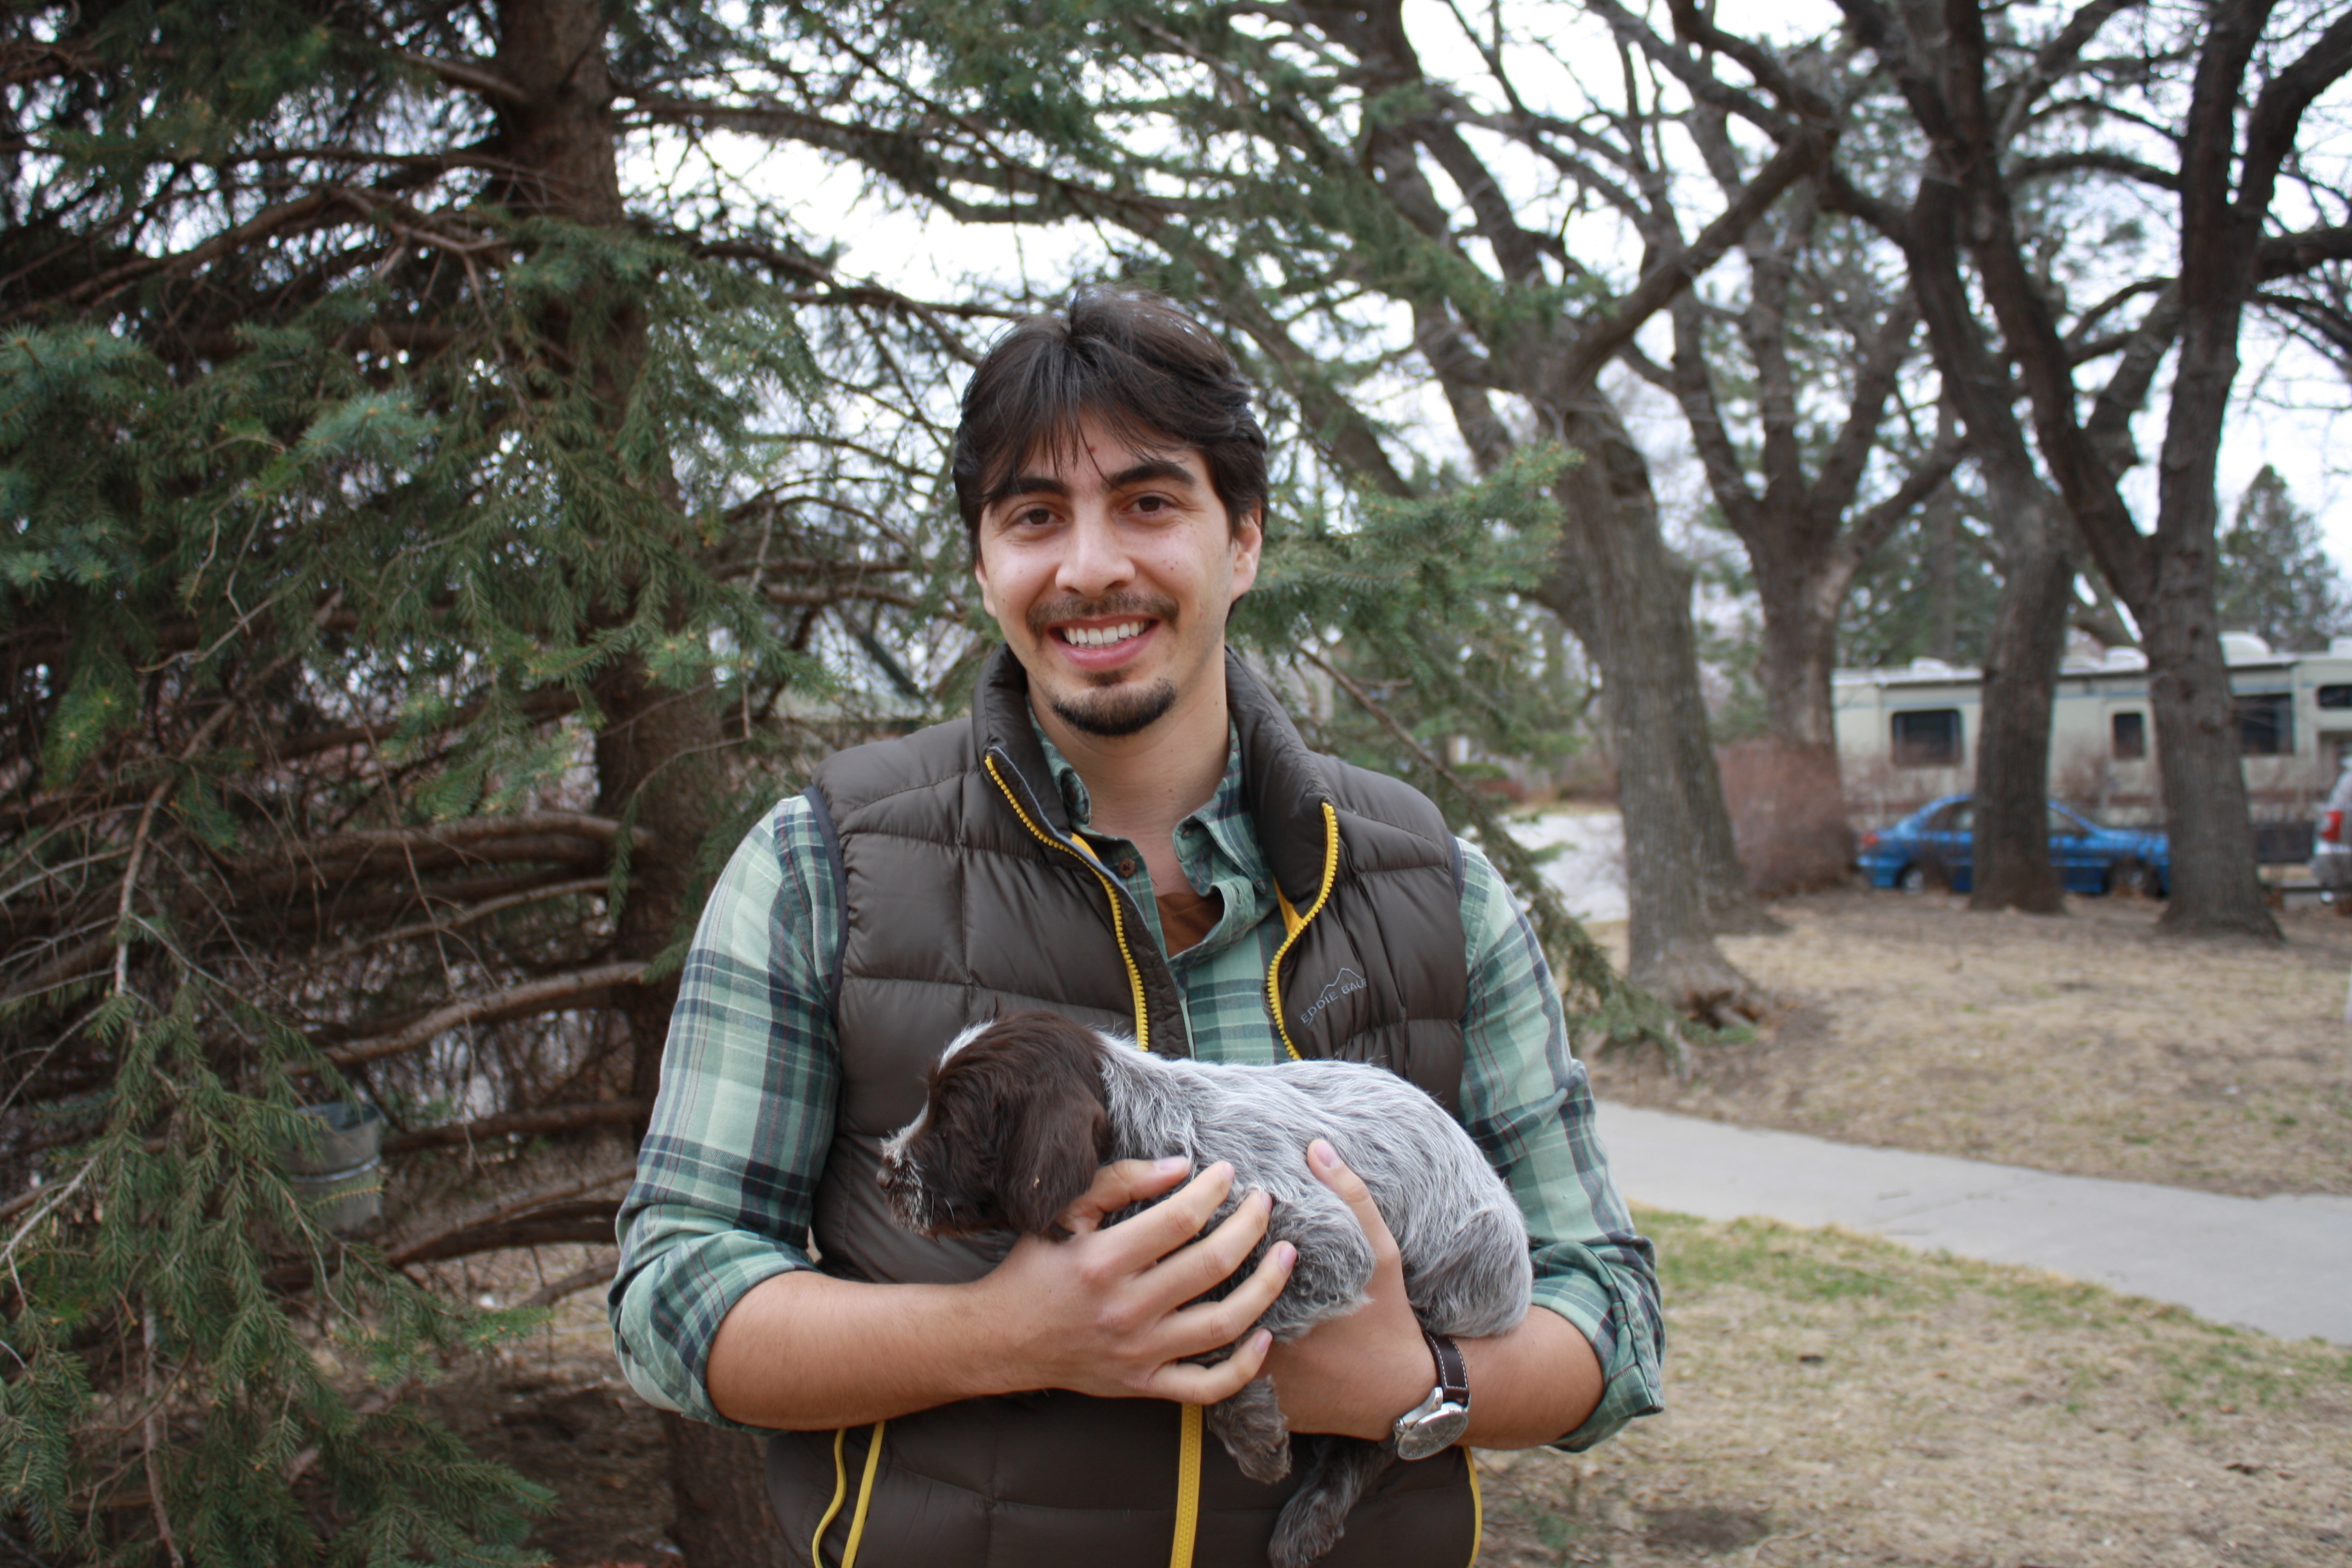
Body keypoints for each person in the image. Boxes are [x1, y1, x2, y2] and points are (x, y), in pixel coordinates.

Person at [609, 288, 1662, 1567]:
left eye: (1150, 503)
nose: (1091, 566)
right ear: (983, 566)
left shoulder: (1434, 885)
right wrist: (1005, 1336)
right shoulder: (819, 868)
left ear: (1244, 542)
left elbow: (1610, 1315)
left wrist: (1418, 1383)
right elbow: (670, 1298)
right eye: (1034, 516)